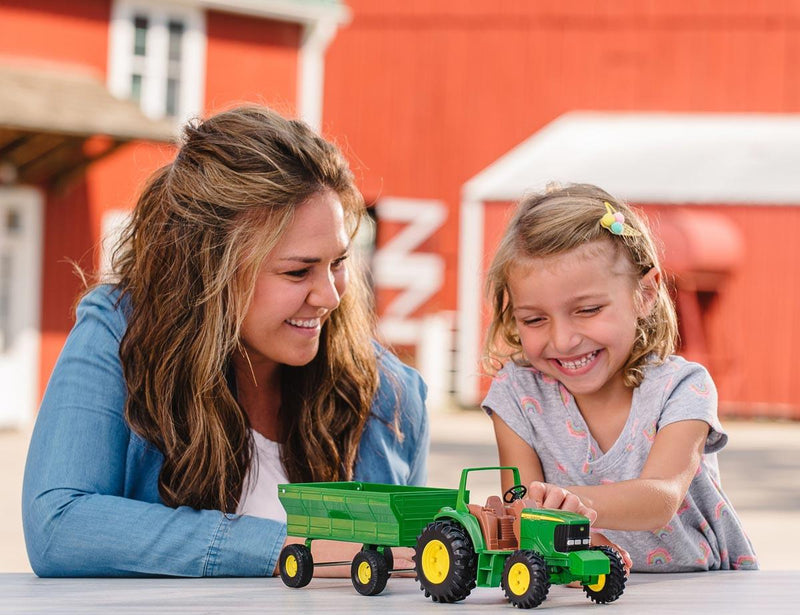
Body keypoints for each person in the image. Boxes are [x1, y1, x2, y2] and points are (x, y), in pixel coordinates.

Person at [22, 105, 428, 578]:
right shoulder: (119, 337)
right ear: (209, 270)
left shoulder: (390, 395)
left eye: (338, 262)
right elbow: (58, 524)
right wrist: (288, 549)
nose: (331, 296)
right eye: (298, 271)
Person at [482, 183, 757, 572]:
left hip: (699, 593)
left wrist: (569, 504)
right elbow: (521, 507)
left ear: (644, 294)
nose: (563, 339)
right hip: (580, 598)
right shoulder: (516, 395)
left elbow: (660, 499)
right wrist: (571, 545)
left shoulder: (682, 388)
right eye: (534, 319)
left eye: (588, 310)